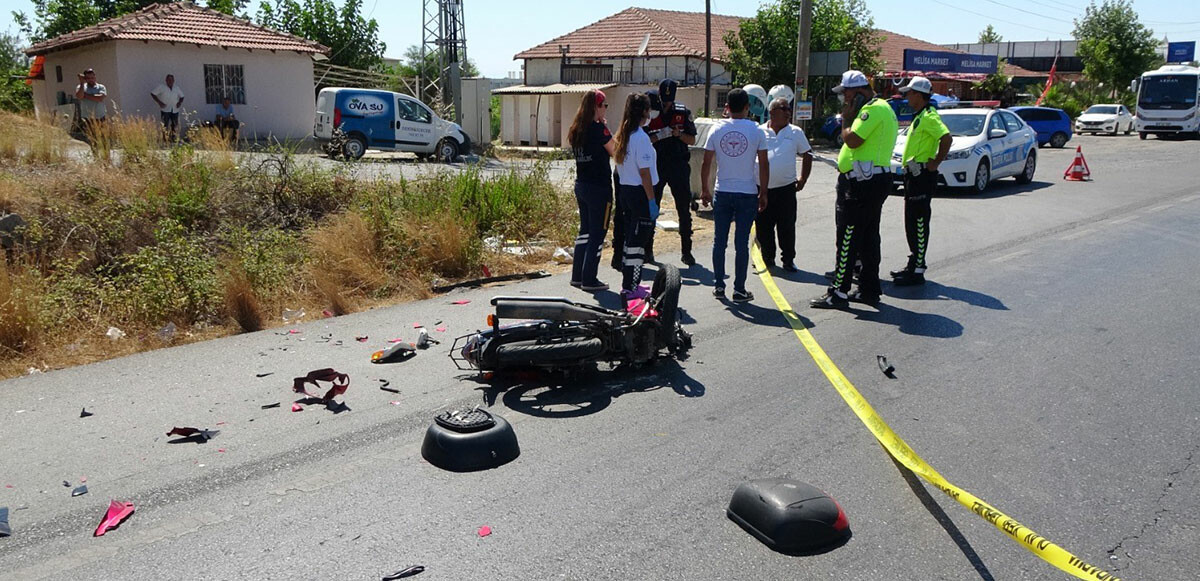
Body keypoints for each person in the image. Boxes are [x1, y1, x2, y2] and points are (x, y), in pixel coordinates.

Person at [811, 70, 898, 309]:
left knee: (847, 236)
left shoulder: (872, 109)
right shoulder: (881, 107)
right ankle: (869, 289)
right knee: (868, 238)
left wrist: (846, 119)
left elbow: (852, 140)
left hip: (862, 183)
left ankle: (839, 291)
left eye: (847, 93)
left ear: (859, 92)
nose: (844, 99)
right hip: (869, 181)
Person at [701, 88, 769, 302]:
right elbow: (764, 164)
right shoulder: (757, 130)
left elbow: (706, 162)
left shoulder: (716, 130)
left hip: (723, 190)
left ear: (727, 107)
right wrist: (764, 191)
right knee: (741, 242)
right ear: (748, 107)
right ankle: (739, 288)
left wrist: (705, 188)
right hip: (747, 192)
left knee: (719, 241)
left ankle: (719, 285)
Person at [891, 77, 951, 286]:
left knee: (918, 221)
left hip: (922, 175)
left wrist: (934, 163)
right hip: (913, 174)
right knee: (911, 220)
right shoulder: (920, 116)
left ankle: (918, 268)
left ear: (918, 94)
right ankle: (914, 261)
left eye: (909, 93)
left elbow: (946, 138)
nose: (906, 97)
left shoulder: (929, 116)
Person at [756, 97, 813, 272]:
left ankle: (788, 259)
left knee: (786, 226)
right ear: (772, 112)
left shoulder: (795, 132)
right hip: (761, 189)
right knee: (763, 226)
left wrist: (803, 178)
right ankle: (767, 257)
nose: (788, 112)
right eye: (784, 108)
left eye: (789, 109)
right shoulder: (759, 131)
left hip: (786, 189)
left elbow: (807, 154)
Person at [646, 79, 698, 266]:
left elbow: (691, 139)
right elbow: (642, 138)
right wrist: (660, 135)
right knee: (652, 208)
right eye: (663, 100)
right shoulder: (650, 111)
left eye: (669, 100)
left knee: (683, 209)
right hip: (657, 165)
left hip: (678, 165)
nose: (666, 104)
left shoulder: (683, 112)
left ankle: (686, 251)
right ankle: (647, 250)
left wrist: (678, 135)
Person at [613, 93, 660, 300]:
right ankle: (631, 287)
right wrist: (651, 200)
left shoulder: (624, 134)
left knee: (630, 239)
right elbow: (645, 173)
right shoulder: (640, 138)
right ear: (644, 112)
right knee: (637, 243)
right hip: (640, 194)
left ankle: (630, 283)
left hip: (626, 191)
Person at [567, 89, 615, 292]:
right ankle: (590, 278)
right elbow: (615, 150)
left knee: (585, 231)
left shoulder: (577, 128)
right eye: (604, 106)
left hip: (582, 185)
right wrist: (608, 129)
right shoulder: (598, 129)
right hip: (599, 187)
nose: (606, 109)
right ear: (597, 106)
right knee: (599, 232)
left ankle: (577, 276)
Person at [151, 74, 185, 141]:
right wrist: (159, 102)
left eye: (171, 80)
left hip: (175, 109)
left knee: (174, 125)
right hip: (165, 109)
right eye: (169, 79)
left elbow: (182, 96)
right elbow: (153, 93)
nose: (170, 81)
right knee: (165, 125)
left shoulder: (176, 88)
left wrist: (179, 103)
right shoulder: (161, 87)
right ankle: (165, 139)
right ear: (166, 80)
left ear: (174, 80)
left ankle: (173, 139)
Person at [74, 68, 107, 136]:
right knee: (90, 138)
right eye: (88, 78)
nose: (91, 79)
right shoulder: (81, 87)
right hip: (87, 118)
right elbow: (79, 96)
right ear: (85, 78)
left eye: (92, 77)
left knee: (102, 138)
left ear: (95, 77)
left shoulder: (101, 87)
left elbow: (100, 98)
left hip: (100, 117)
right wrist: (82, 83)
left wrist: (85, 95)